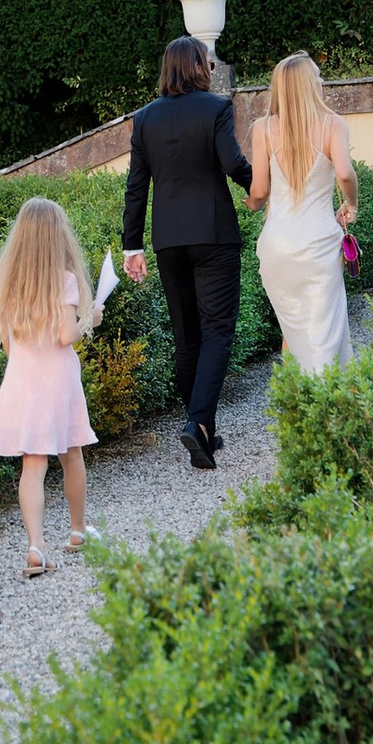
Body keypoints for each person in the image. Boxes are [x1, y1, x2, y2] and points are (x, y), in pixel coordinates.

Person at [120, 37, 252, 472]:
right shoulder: (215, 108)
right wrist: (261, 187)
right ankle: (197, 422)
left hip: (168, 241)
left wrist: (132, 245)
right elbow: (232, 163)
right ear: (198, 66)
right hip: (213, 236)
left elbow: (136, 187)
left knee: (186, 337)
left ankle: (203, 429)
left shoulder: (145, 118)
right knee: (218, 331)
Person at [0, 197, 102, 573]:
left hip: (23, 381)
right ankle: (78, 531)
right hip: (58, 382)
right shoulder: (64, 280)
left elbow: (7, 345)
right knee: (72, 454)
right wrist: (90, 319)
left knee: (32, 466)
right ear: (58, 237)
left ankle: (36, 546)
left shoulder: (10, 285)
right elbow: (66, 335)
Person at [249, 50, 360, 376]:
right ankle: (325, 399)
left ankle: (295, 399)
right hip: (319, 246)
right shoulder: (332, 125)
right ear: (307, 85)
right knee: (324, 336)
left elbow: (259, 192)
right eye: (318, 76)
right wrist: (351, 204)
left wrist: (250, 205)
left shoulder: (262, 129)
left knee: (294, 331)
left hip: (277, 247)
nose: (322, 80)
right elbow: (345, 173)